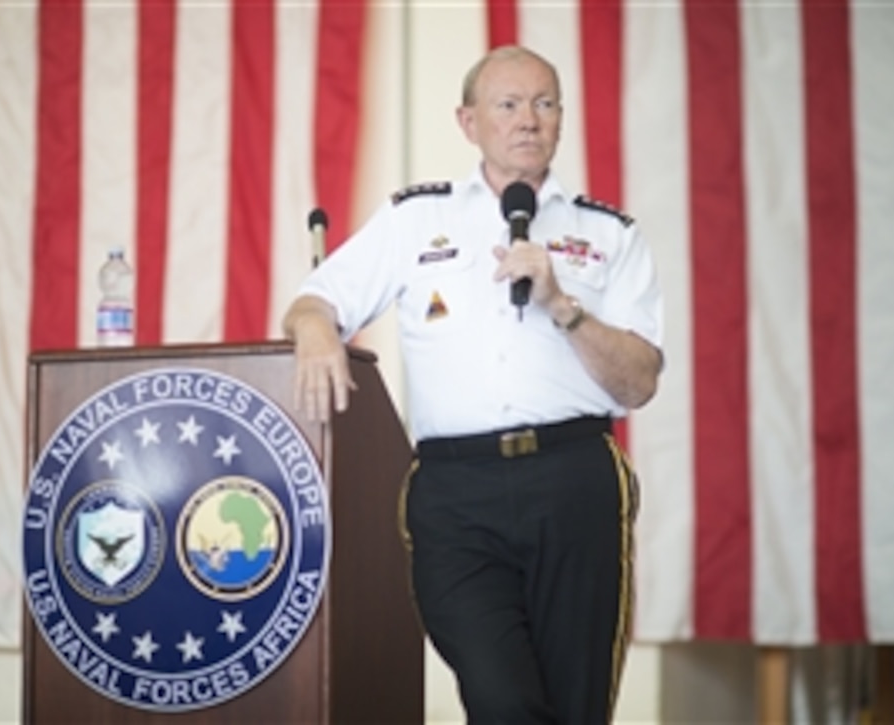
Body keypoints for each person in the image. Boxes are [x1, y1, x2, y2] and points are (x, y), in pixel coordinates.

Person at [282, 44, 663, 724]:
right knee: (500, 698)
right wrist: (314, 329)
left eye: (544, 104)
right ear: (468, 122)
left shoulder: (607, 233)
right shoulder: (414, 219)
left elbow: (638, 383)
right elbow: (317, 302)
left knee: (576, 707)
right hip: (457, 496)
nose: (528, 120)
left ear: (561, 120)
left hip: (575, 480)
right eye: (508, 104)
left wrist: (562, 304)